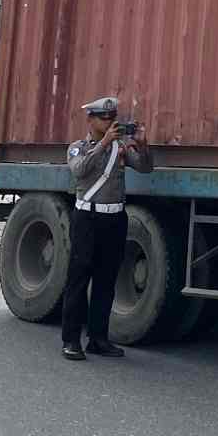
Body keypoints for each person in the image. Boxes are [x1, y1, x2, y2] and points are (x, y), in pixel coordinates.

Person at [63, 96, 152, 362]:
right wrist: (103, 144)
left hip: (114, 219)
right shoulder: (78, 147)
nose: (110, 122)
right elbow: (79, 171)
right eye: (105, 118)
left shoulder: (121, 148)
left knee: (106, 281)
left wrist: (143, 145)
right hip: (87, 220)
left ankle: (98, 339)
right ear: (90, 119)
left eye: (113, 118)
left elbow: (146, 168)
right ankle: (71, 340)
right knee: (79, 281)